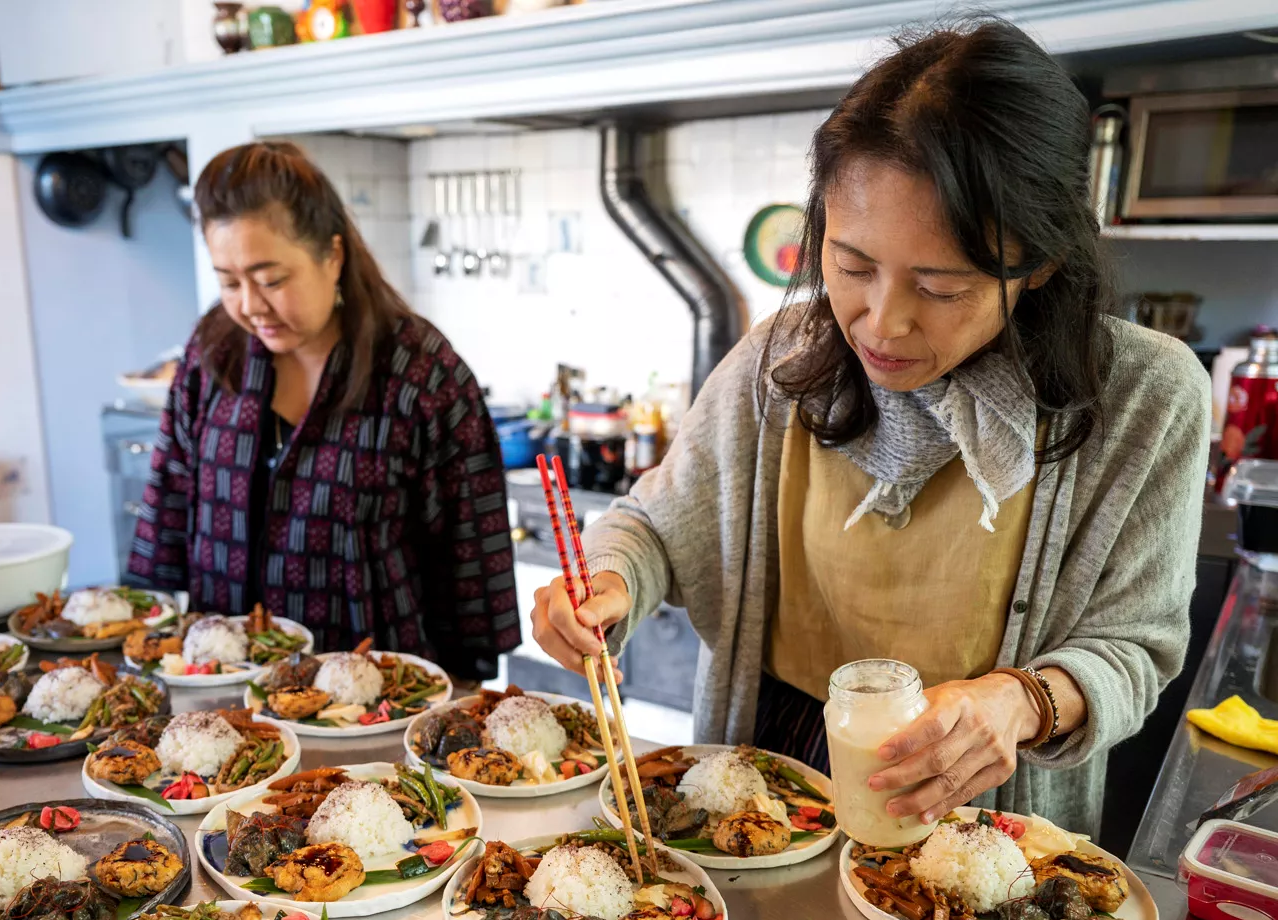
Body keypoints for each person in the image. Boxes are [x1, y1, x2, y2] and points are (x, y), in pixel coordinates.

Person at [530, 19, 1208, 836]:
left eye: (942, 286)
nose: (881, 323)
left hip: (972, 800)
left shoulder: (1146, 396)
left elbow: (1135, 646)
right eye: (851, 266)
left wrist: (1023, 701)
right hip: (766, 780)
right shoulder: (782, 358)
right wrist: (609, 581)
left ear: (1042, 262)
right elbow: (652, 527)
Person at [128, 141, 521, 680]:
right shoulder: (212, 351)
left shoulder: (420, 372)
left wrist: (461, 693)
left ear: (332, 256)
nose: (249, 305)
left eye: (271, 280)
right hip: (219, 696)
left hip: (377, 703)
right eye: (228, 282)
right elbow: (169, 504)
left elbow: (473, 560)